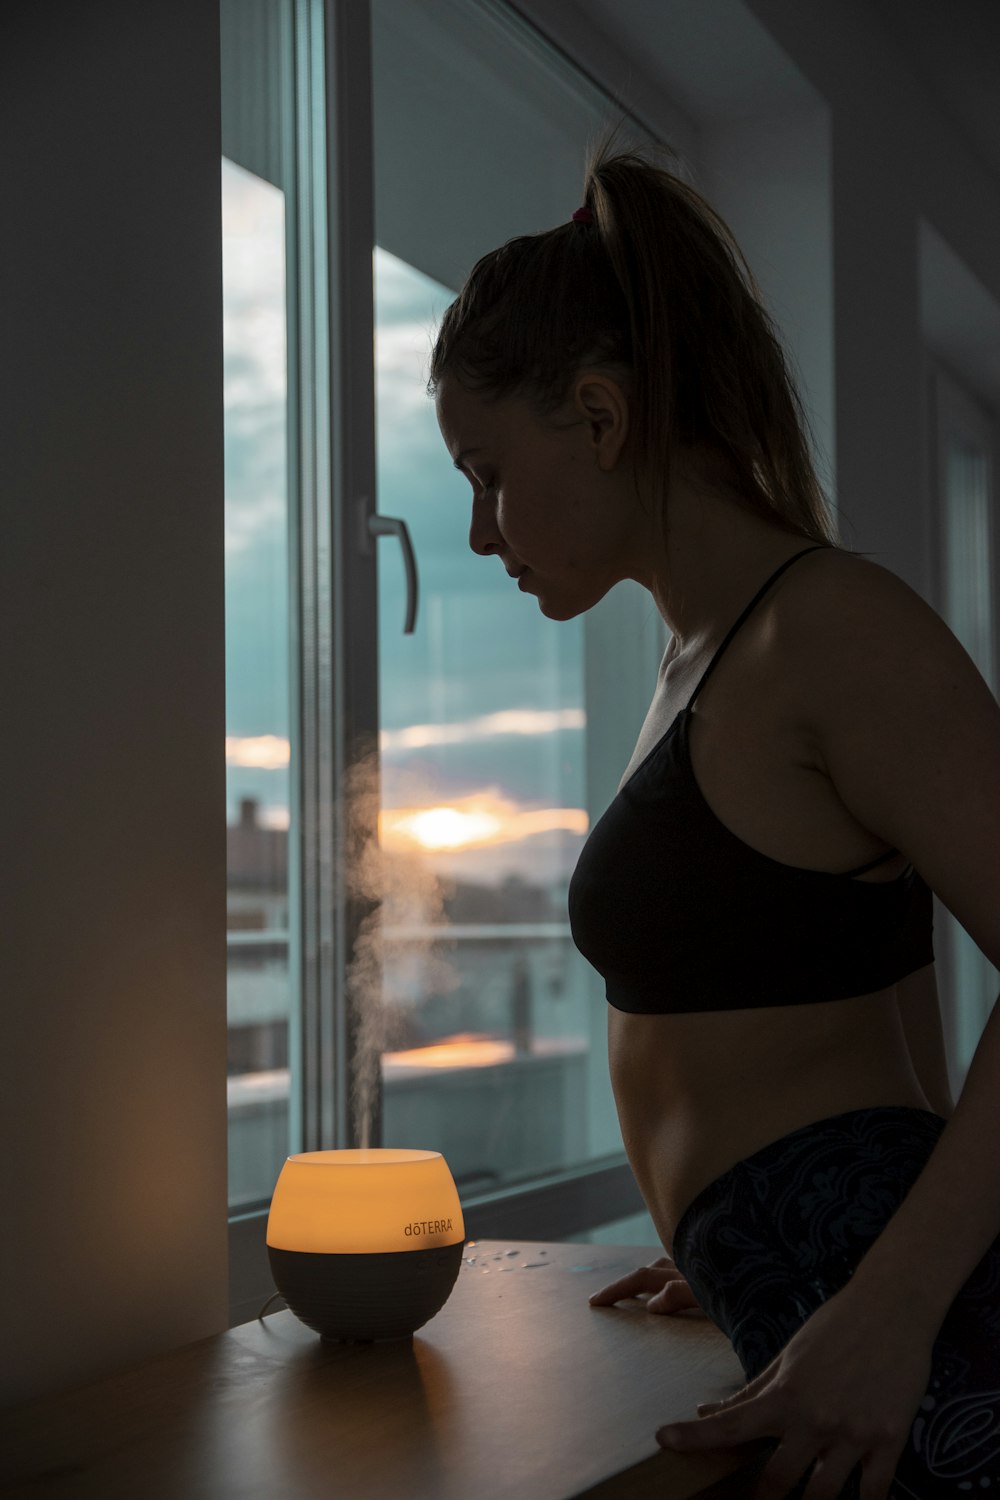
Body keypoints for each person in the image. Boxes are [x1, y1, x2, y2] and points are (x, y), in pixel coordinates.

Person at [430, 117, 1000, 1499]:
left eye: (488, 477)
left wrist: (886, 1306)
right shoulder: (703, 662)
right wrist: (730, 1238)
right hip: (805, 1298)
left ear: (604, 417)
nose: (478, 534)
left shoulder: (830, 628)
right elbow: (879, 982)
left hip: (907, 1344)